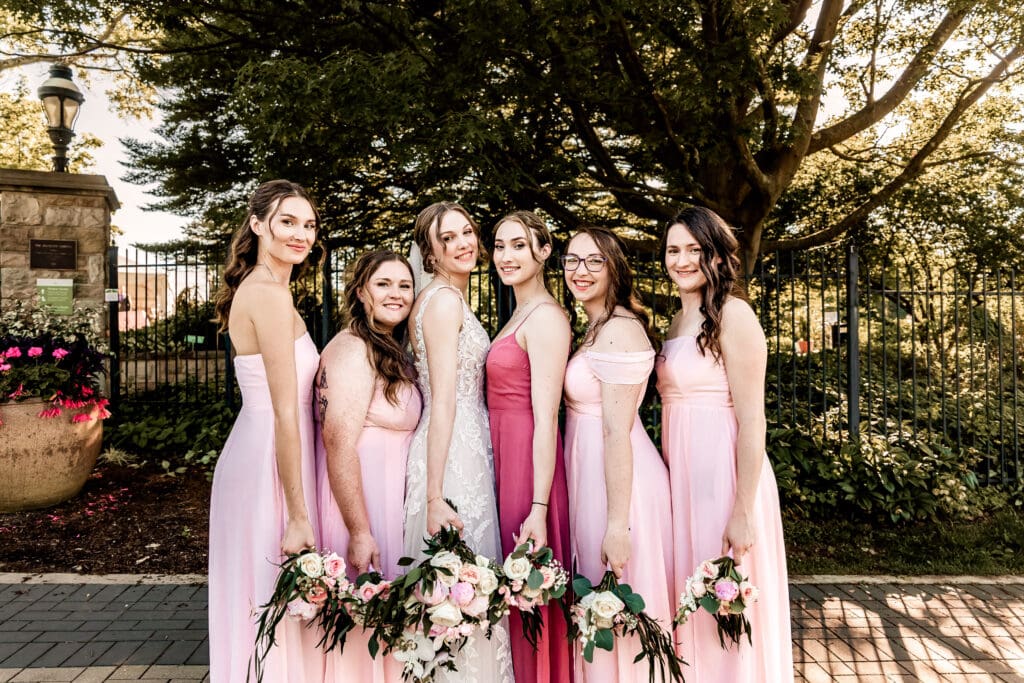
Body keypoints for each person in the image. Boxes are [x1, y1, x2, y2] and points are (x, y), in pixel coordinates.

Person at [655, 206, 793, 681]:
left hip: (726, 478)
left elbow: (753, 420)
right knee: (691, 602)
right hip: (682, 479)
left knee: (725, 607)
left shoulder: (735, 315)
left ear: (716, 255)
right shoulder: (677, 322)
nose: (682, 260)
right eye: (673, 250)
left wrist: (742, 508)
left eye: (694, 250)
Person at [208, 179, 324, 682]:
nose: (301, 234)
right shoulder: (267, 295)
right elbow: (284, 411)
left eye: (309, 225)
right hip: (269, 460)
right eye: (287, 222)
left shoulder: (269, 289)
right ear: (257, 225)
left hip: (270, 449)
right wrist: (298, 514)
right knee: (272, 596)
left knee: (267, 599)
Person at [402, 201, 514, 682]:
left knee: (464, 588)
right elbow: (444, 399)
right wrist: (434, 494)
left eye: (466, 231)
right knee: (461, 585)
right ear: (430, 253)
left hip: (462, 443)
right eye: (447, 238)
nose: (463, 243)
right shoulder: (444, 302)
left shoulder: (443, 298)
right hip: (452, 455)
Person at [561, 226, 673, 683]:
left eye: (594, 261)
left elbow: (615, 432)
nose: (580, 270)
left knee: (616, 608)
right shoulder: (597, 325)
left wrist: (617, 524)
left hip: (619, 488)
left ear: (615, 269)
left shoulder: (620, 330)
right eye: (572, 260)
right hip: (591, 475)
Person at [315, 250, 421, 682]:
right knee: (364, 629)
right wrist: (359, 530)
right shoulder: (353, 349)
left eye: (404, 285)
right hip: (362, 504)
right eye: (383, 284)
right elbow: (338, 443)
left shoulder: (389, 348)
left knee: (386, 625)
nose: (396, 294)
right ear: (361, 292)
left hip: (387, 499)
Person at [485, 211, 572, 683]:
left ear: (544, 251)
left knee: (526, 580)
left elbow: (547, 417)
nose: (506, 255)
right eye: (500, 245)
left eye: (519, 245)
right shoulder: (518, 312)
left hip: (528, 459)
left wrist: (538, 506)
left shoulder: (546, 319)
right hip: (504, 452)